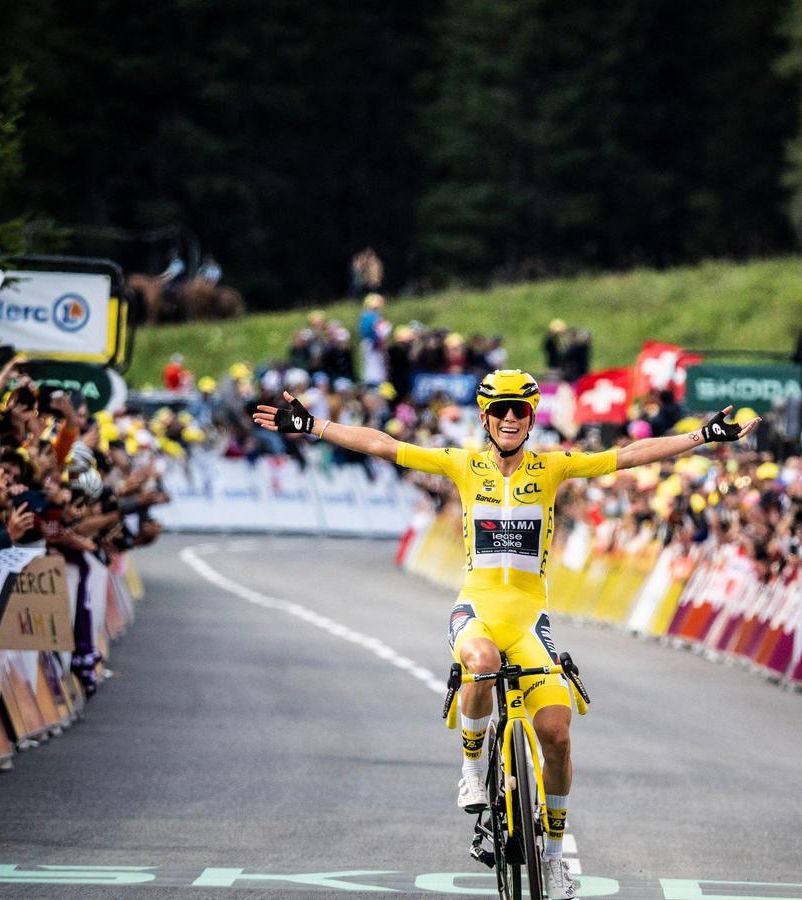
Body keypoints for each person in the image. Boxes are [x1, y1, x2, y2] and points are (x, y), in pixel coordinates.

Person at [253, 369, 759, 899]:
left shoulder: (554, 465)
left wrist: (699, 436)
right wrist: (314, 424)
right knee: (481, 660)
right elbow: (385, 444)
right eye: (501, 410)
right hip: (476, 608)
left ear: (533, 415)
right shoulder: (463, 463)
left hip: (530, 619)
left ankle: (556, 858)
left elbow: (628, 455)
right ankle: (472, 766)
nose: (511, 418)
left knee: (558, 735)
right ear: (485, 417)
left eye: (520, 409)